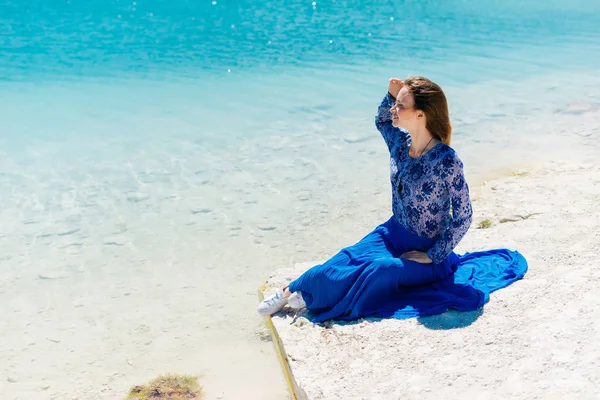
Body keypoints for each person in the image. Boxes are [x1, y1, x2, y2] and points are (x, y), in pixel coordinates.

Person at [257, 76, 474, 320]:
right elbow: (382, 120)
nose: (394, 109)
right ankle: (289, 291)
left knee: (380, 269)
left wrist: (433, 254)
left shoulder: (446, 160)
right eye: (396, 104)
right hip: (392, 233)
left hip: (429, 253)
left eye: (401, 106)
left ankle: (312, 297)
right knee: (346, 258)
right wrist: (392, 94)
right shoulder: (400, 145)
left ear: (421, 115)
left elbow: (464, 216)